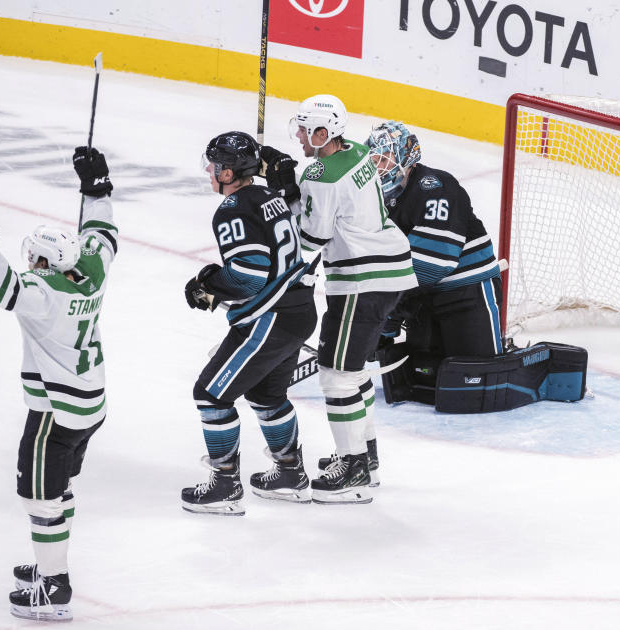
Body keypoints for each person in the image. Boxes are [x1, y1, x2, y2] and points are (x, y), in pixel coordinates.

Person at [0, 146, 117, 621]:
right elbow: (101, 233)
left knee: (38, 495)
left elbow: (5, 289)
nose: (33, 265)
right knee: (57, 489)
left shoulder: (43, 294)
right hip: (92, 405)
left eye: (36, 260)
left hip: (55, 414)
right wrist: (96, 186)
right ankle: (51, 562)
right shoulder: (94, 272)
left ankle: (53, 587)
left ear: (46, 263)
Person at [261, 95, 417, 504]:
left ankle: (353, 471)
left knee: (336, 375)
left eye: (304, 129)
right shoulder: (360, 152)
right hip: (391, 271)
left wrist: (287, 193)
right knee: (355, 371)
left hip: (361, 280)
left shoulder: (318, 173)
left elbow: (312, 237)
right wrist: (295, 184)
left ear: (323, 133)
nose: (297, 134)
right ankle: (366, 459)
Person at [181, 131, 316, 516]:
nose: (209, 170)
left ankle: (224, 485)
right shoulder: (271, 197)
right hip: (298, 311)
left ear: (228, 172)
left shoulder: (232, 210)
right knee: (267, 396)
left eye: (214, 165)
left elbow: (248, 276)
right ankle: (290, 474)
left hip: (268, 318)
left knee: (210, 395)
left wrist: (207, 284)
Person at [365, 121, 503, 401]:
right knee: (427, 378)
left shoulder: (434, 187)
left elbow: (433, 265)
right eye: (374, 160)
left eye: (385, 158)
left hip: (467, 290)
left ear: (406, 157)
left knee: (475, 381)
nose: (378, 167)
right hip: (425, 299)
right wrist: (383, 321)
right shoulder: (377, 201)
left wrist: (385, 313)